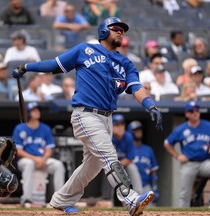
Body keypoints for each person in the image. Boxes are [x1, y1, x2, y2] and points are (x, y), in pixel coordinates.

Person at [12, 17, 163, 216]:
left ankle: (61, 199)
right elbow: (54, 64)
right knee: (109, 155)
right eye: (116, 28)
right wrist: (26, 67)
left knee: (92, 167)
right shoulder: (85, 50)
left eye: (123, 30)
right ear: (103, 31)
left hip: (107, 119)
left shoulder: (126, 63)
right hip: (86, 115)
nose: (120, 32)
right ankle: (130, 199)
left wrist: (150, 105)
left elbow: (135, 86)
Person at [164, 100, 210, 208]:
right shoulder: (181, 129)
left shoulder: (208, 126)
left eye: (197, 110)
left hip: (205, 162)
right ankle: (183, 212)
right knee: (184, 193)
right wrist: (177, 155)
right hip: (189, 163)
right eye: (192, 110)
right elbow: (167, 143)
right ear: (187, 114)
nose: (195, 112)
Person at [12, 102, 65, 208]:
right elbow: (18, 151)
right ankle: (27, 198)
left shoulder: (45, 128)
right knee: (29, 164)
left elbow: (49, 149)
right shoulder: (20, 128)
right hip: (26, 160)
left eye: (38, 110)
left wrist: (43, 159)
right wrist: (36, 159)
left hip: (42, 159)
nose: (37, 112)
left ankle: (60, 199)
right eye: (34, 110)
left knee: (58, 165)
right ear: (28, 113)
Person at [127, 121, 159, 205]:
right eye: (136, 130)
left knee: (151, 212)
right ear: (131, 132)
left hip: (146, 186)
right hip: (131, 188)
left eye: (140, 130)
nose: (139, 132)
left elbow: (153, 171)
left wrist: (155, 188)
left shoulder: (148, 149)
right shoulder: (127, 149)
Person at [112, 114, 143, 195]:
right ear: (111, 126)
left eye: (122, 124)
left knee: (132, 167)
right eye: (117, 125)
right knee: (108, 170)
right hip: (110, 165)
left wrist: (119, 165)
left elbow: (130, 158)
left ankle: (138, 196)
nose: (120, 127)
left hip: (123, 164)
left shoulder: (128, 136)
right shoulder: (109, 137)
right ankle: (107, 199)